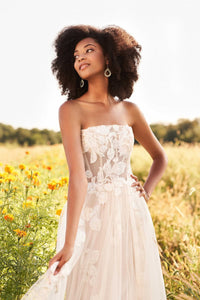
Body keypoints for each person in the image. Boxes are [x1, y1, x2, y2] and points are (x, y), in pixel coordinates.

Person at [21, 24, 168, 300]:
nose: (81, 58)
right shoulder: (71, 110)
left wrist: (146, 191)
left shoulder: (130, 110)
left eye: (89, 51)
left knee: (127, 287)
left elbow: (160, 157)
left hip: (130, 213)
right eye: (76, 55)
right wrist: (69, 241)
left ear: (110, 58)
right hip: (91, 214)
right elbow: (78, 176)